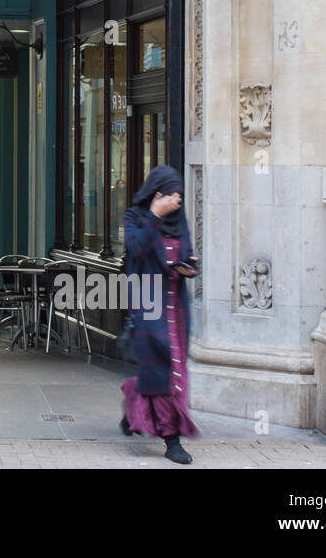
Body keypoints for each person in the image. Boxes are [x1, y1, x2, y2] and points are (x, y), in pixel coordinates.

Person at [120, 164, 199, 465]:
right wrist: (154, 215)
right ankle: (172, 440)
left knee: (173, 369)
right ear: (158, 193)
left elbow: (187, 256)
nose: (178, 201)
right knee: (163, 369)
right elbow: (137, 249)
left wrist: (189, 267)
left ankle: (134, 403)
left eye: (181, 195)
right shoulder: (135, 218)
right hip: (148, 303)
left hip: (176, 308)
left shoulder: (180, 221)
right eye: (173, 194)